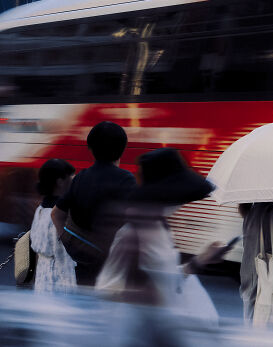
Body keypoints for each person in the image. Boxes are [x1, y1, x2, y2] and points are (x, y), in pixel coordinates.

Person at [95, 148, 224, 345]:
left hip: (165, 332)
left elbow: (167, 278)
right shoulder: (131, 233)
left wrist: (201, 260)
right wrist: (142, 296)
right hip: (141, 335)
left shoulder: (161, 228)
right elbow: (105, 288)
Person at [52, 121, 137, 285]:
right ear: (122, 148)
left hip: (80, 257)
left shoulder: (80, 177)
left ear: (90, 148)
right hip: (109, 262)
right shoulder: (126, 180)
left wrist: (65, 239)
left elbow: (56, 213)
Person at [30, 159, 77, 293]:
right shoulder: (60, 215)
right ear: (60, 182)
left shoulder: (40, 210)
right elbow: (62, 255)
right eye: (71, 178)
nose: (73, 182)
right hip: (58, 279)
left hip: (42, 275)